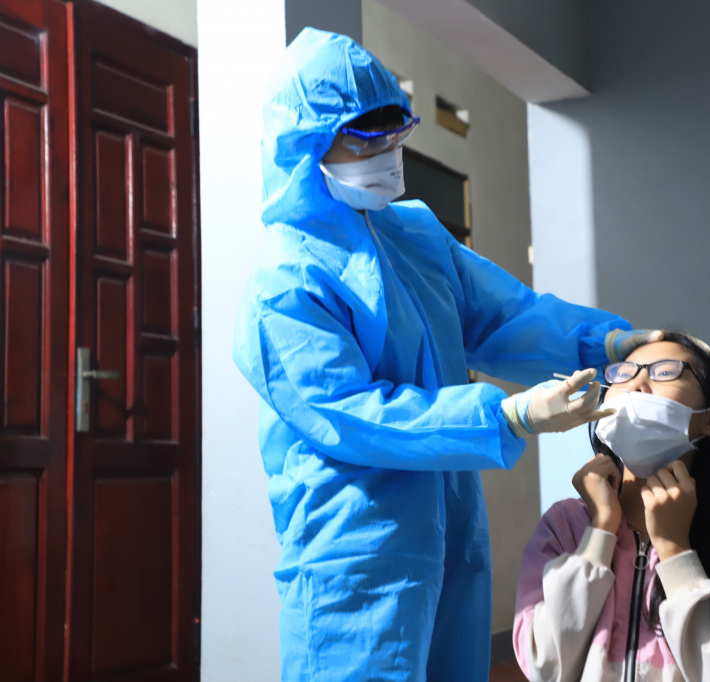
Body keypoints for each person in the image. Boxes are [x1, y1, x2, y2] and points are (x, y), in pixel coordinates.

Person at [233, 28, 661, 682]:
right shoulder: (285, 282)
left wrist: (605, 343)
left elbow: (502, 315)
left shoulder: (414, 233)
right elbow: (349, 412)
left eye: (394, 135)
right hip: (356, 548)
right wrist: (506, 418)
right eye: (364, 137)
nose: (386, 155)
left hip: (449, 529)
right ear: (306, 145)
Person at [513, 332, 710, 682]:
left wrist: (675, 551)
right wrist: (599, 533)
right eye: (623, 373)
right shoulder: (564, 525)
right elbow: (543, 666)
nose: (637, 384)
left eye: (665, 371)